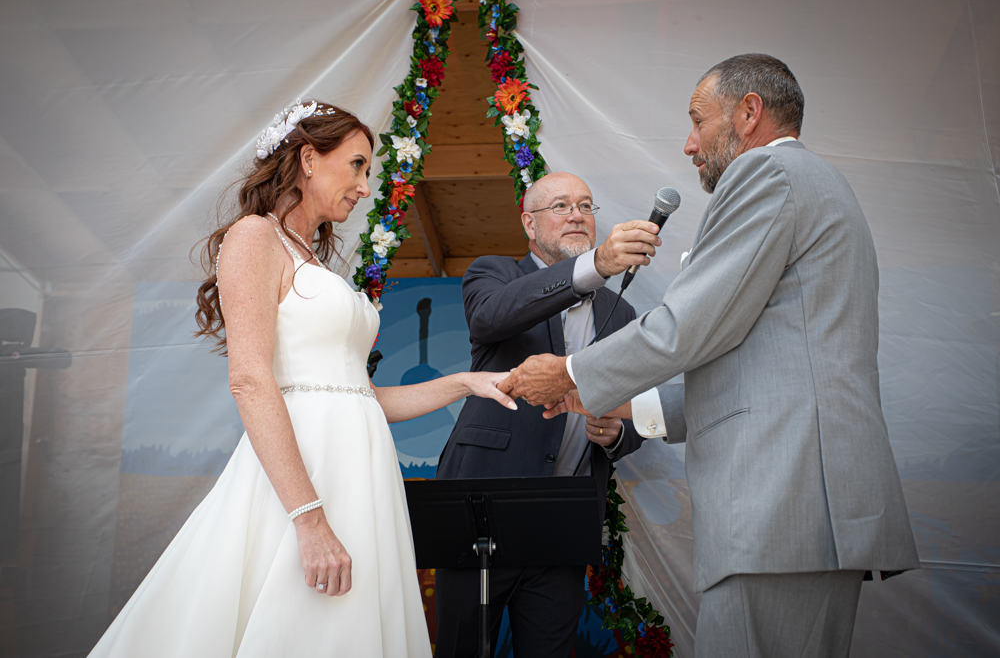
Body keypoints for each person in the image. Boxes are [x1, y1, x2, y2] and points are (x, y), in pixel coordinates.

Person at [501, 55, 920, 658]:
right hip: (806, 499)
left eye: (699, 120)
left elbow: (691, 325)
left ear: (749, 113)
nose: (690, 143)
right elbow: (759, 365)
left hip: (781, 495)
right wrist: (612, 402)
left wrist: (571, 373)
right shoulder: (811, 182)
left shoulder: (767, 173)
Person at [88, 101, 516, 657]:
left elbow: (362, 398)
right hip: (302, 480)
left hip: (361, 475)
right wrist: (309, 520)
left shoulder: (312, 259)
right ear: (309, 159)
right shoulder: (254, 237)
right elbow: (248, 379)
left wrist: (465, 383)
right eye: (357, 165)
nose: (365, 187)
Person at [433, 172, 683, 657]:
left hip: (563, 522)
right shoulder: (494, 275)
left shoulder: (620, 314)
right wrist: (595, 265)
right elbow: (491, 316)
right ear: (529, 223)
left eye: (586, 206)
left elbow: (638, 411)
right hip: (484, 513)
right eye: (561, 206)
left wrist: (615, 433)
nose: (576, 215)